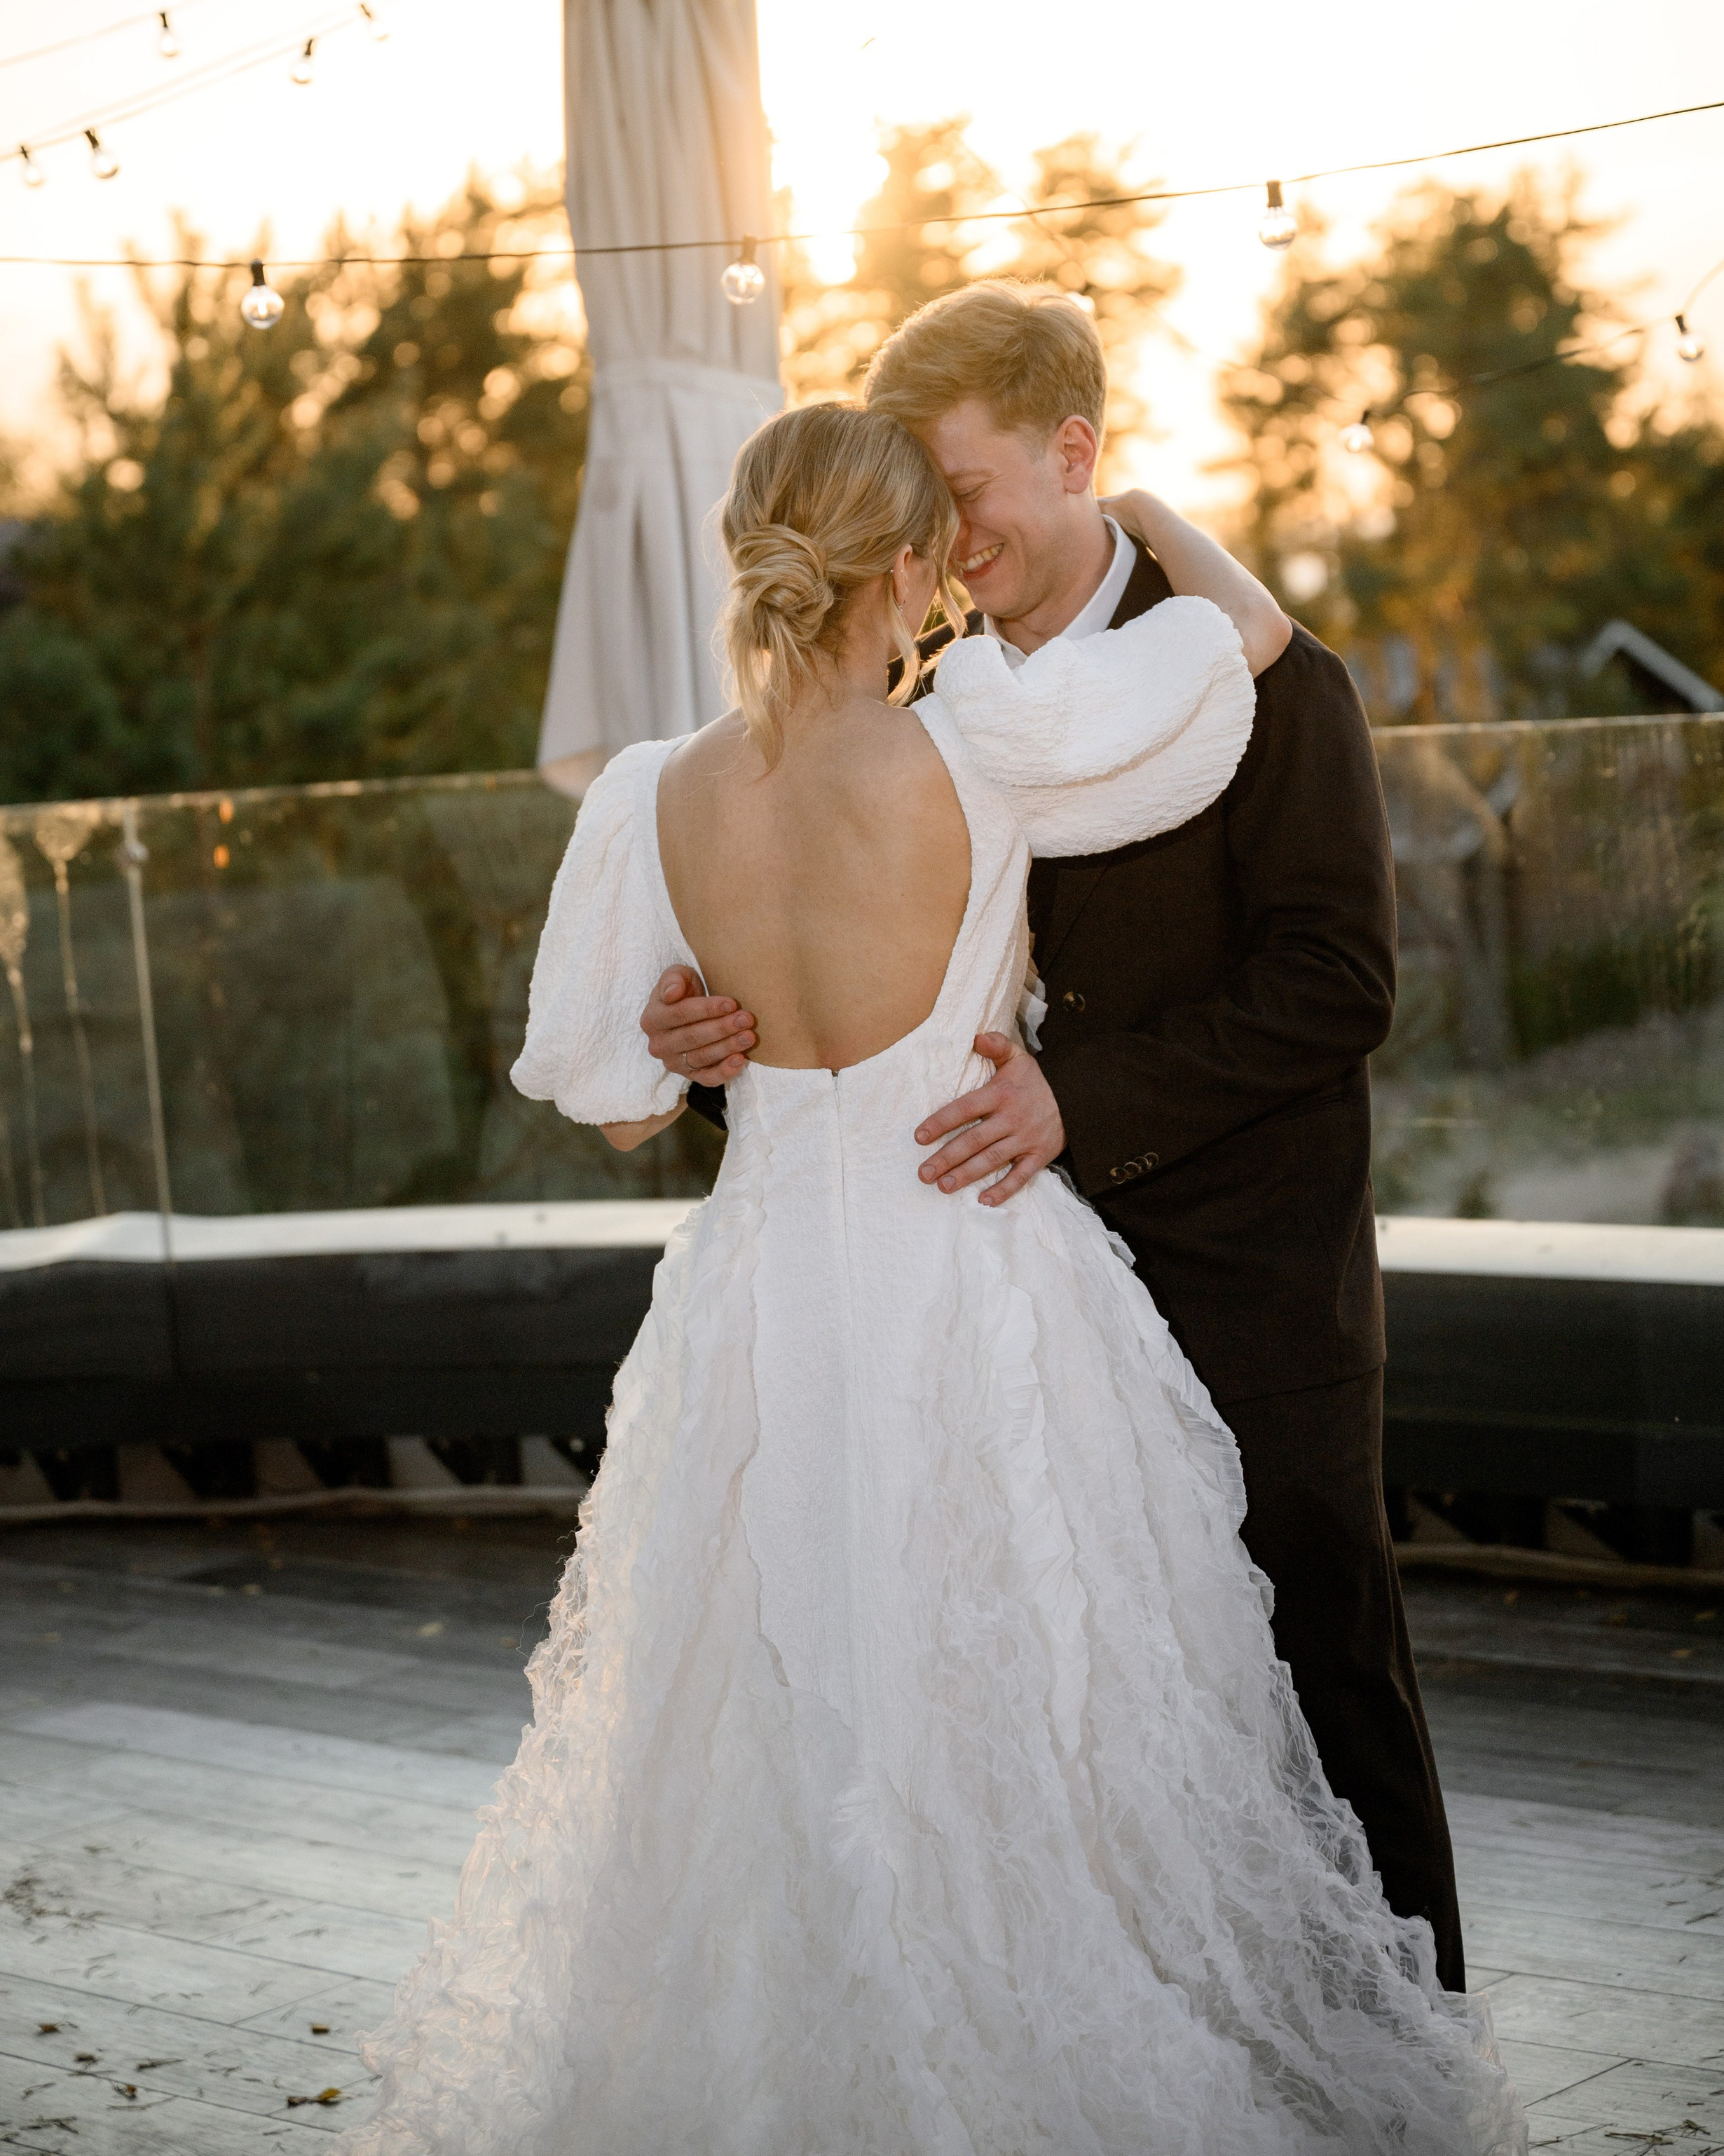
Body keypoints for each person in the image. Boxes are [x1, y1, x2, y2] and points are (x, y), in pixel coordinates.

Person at [349, 400, 1521, 2153]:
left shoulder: (648, 799)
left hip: (758, 1304)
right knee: (1028, 1700)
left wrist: (692, 1021)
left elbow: (605, 1091)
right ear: (902, 570)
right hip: (968, 1274)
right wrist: (1137, 503)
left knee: (766, 1693)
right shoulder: (989, 750)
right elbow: (1238, 657)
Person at [648, 280, 1466, 1993]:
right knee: (1079, 1727)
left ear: (1073, 450)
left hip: (1242, 1287)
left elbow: (1337, 979)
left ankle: (1400, 2055)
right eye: (916, 508)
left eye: (964, 492)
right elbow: (871, 1017)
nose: (940, 540)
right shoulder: (920, 708)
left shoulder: (1265, 680)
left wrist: (1081, 1102)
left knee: (1318, 1678)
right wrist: (716, 1041)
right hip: (1000, 1317)